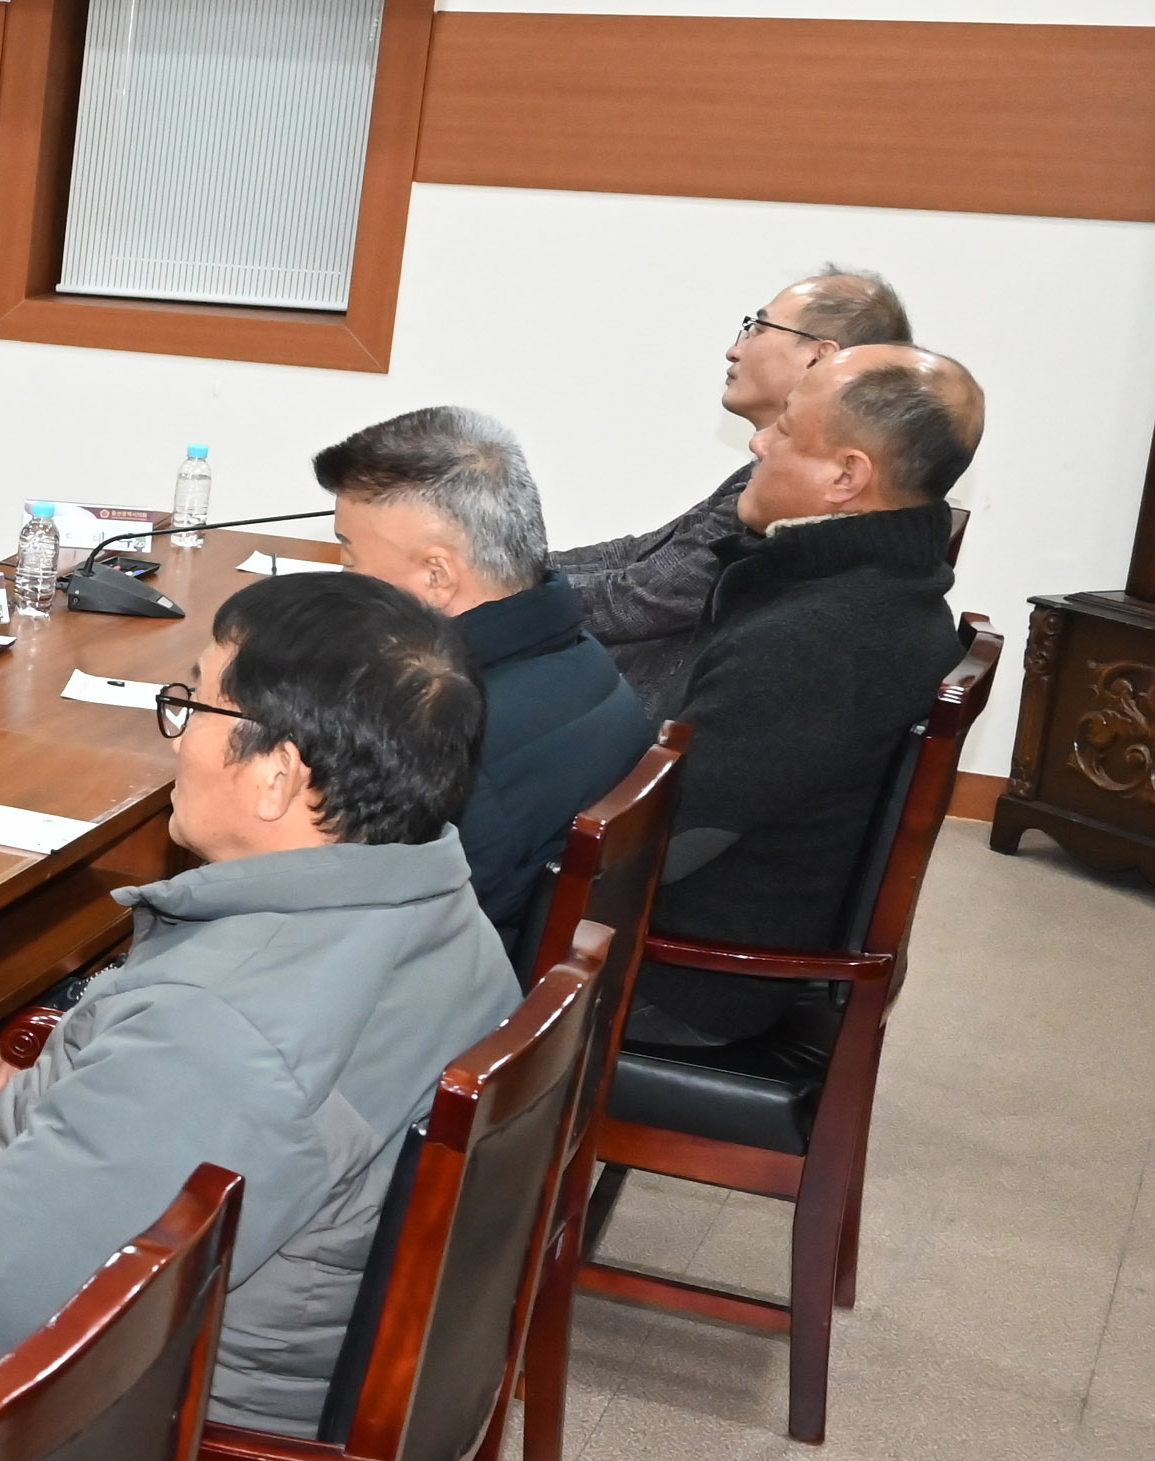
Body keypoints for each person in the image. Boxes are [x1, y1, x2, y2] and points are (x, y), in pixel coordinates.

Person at [0, 574, 509, 1461]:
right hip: (204, 1372)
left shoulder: (225, 1025)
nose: (175, 736)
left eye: (193, 702)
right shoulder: (437, 914)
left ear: (278, 775)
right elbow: (130, 1175)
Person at [627, 344, 981, 1052]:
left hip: (684, 983)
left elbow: (653, 845)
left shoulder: (820, 639)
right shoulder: (881, 586)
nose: (758, 442)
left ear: (848, 477)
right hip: (725, 934)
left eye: (784, 429)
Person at [316, 405, 655, 973]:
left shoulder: (447, 742)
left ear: (436, 575)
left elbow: (360, 947)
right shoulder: (580, 659)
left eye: (350, 554)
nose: (344, 577)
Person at [551, 266, 912, 714]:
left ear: (819, 358)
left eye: (757, 329)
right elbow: (642, 554)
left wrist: (491, 587)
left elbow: (635, 601)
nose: (734, 350)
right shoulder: (771, 473)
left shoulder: (798, 499)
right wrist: (508, 564)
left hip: (633, 720)